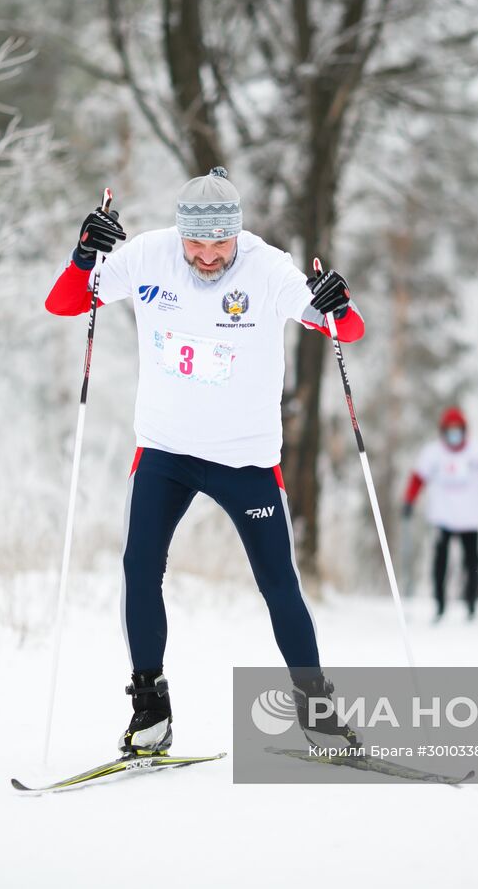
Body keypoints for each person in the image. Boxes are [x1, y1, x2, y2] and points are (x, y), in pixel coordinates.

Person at [44, 167, 365, 755]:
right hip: (165, 451)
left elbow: (344, 327)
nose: (208, 255)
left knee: (278, 586)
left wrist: (336, 304)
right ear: (180, 232)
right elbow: (65, 302)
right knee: (140, 566)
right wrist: (85, 254)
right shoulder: (149, 256)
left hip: (244, 460)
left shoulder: (266, 267)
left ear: (238, 235)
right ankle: (151, 711)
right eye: (197, 242)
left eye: (221, 243)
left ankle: (318, 713)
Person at [402, 406, 478, 621]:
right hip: (443, 518)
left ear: (463, 430)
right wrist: (409, 500)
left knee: (471, 564)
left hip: (470, 519)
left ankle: (471, 605)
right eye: (449, 429)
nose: (454, 434)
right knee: (440, 564)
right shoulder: (433, 453)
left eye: (457, 429)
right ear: (443, 431)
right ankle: (440, 606)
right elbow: (417, 478)